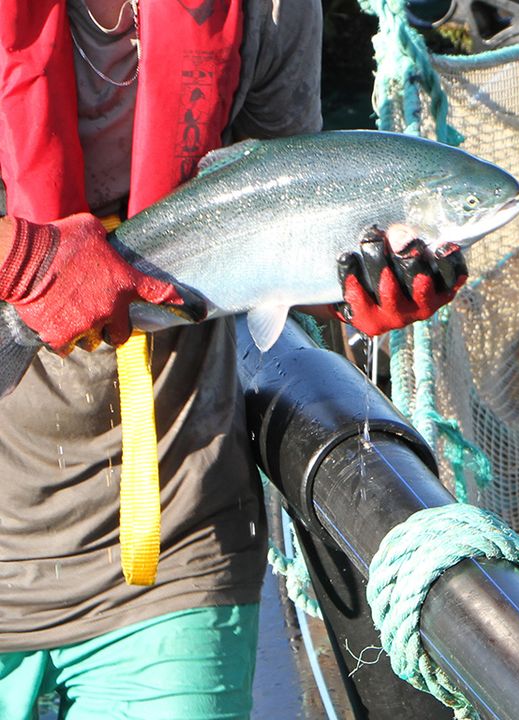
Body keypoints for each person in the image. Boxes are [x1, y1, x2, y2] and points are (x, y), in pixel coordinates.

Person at [0, 1, 465, 717]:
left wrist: (356, 289)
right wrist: (16, 253)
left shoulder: (270, 11)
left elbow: (283, 235)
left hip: (176, 552)